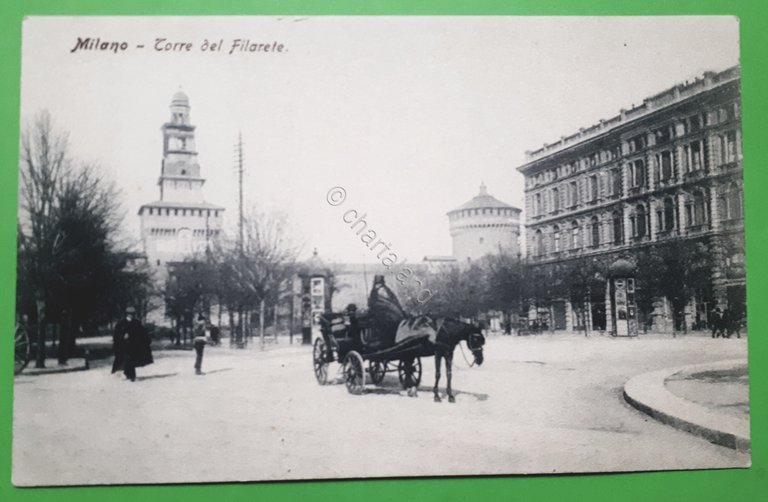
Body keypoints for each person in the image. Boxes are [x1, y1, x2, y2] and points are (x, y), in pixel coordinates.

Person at [112, 307, 153, 381]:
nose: (131, 315)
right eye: (129, 314)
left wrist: (146, 340)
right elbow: (116, 334)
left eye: (132, 314)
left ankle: (129, 374)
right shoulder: (121, 323)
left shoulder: (137, 323)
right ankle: (131, 375)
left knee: (132, 360)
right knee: (128, 360)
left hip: (134, 345)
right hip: (125, 346)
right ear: (127, 314)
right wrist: (122, 336)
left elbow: (143, 333)